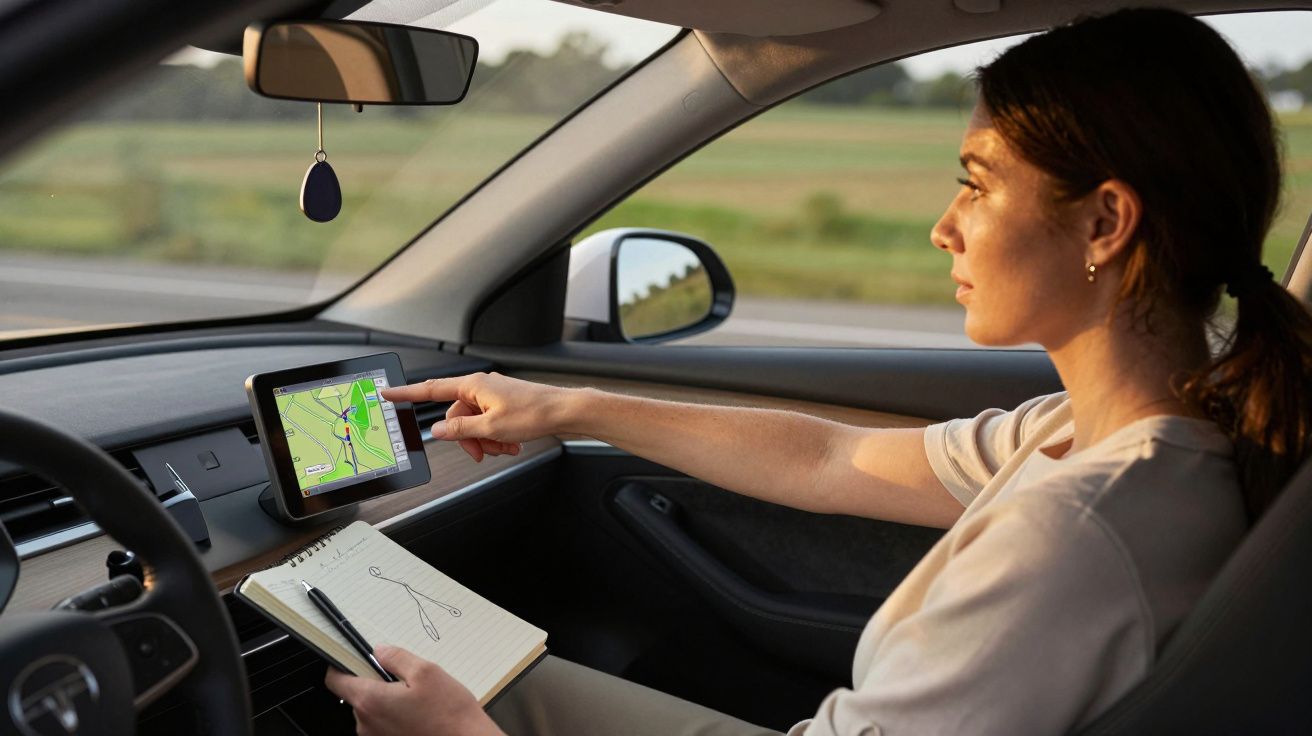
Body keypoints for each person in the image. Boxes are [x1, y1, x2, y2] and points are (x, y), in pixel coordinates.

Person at [324, 8, 1312, 735]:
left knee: (433, 691)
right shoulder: (1133, 431)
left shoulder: (1075, 529)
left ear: (1104, 221)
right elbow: (834, 462)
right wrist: (571, 406)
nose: (942, 226)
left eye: (975, 182)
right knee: (472, 674)